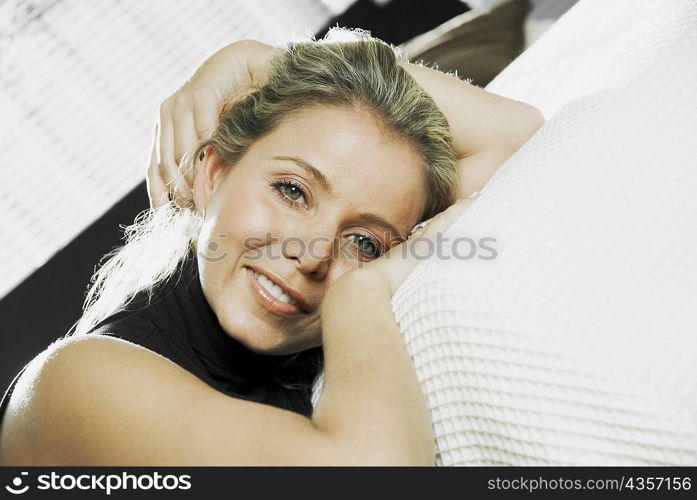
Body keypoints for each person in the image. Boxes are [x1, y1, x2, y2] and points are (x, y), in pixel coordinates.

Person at [0, 29, 543, 465]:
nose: (311, 254)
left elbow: (516, 135)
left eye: (364, 241)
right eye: (292, 191)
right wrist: (364, 291)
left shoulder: (309, 359)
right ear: (212, 174)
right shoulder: (81, 384)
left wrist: (267, 59)